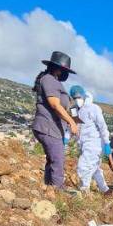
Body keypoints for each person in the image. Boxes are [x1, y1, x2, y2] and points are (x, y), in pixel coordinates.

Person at [31, 51, 79, 190]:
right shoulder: (49, 80)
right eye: (65, 71)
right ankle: (58, 191)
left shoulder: (53, 81)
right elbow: (54, 104)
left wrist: (74, 117)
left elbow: (65, 105)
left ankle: (49, 187)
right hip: (48, 127)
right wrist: (71, 122)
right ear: (58, 69)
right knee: (57, 160)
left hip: (52, 128)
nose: (66, 74)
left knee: (52, 160)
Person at [69, 85, 112, 194]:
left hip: (94, 144)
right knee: (94, 169)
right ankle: (105, 190)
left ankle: (84, 190)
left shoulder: (93, 108)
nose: (77, 100)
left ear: (84, 96)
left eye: (78, 97)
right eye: (74, 98)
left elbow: (102, 126)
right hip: (83, 144)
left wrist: (107, 143)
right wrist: (67, 137)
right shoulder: (74, 110)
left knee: (83, 166)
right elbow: (73, 126)